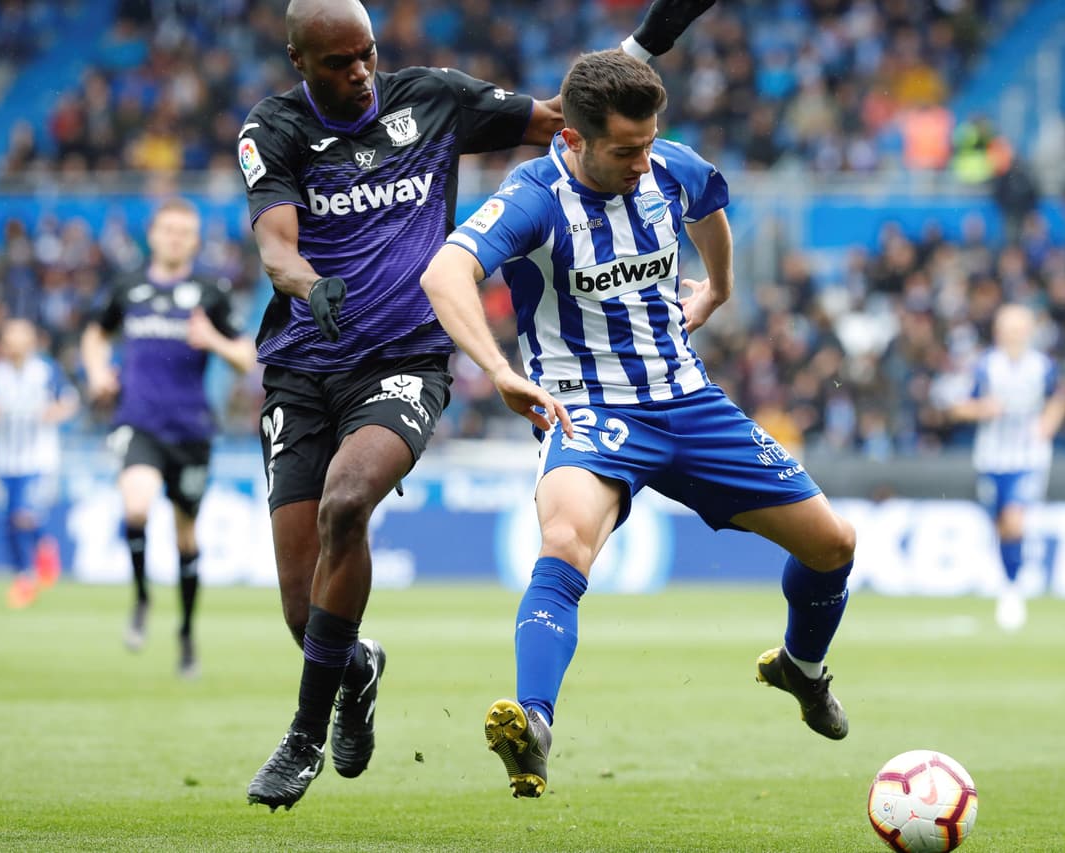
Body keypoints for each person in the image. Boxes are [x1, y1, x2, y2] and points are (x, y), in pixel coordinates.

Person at [237, 0, 715, 811]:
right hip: (300, 366)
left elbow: (573, 118)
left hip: (403, 360)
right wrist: (310, 285)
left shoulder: (433, 99)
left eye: (367, 55)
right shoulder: (273, 129)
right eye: (337, 64)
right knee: (305, 615)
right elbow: (276, 242)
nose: (359, 74)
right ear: (298, 63)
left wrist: (649, 39)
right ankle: (357, 671)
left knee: (348, 502)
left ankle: (300, 739)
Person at [420, 49, 857, 799]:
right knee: (563, 543)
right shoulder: (535, 197)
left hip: (687, 400)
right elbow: (443, 272)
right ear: (573, 140)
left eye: (649, 143)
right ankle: (534, 724)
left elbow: (708, 199)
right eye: (625, 150)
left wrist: (717, 289)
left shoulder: (668, 167)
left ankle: (802, 669)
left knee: (833, 545)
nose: (641, 161)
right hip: (588, 408)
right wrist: (499, 369)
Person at [81, 198, 256, 677]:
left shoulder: (210, 293)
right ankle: (140, 598)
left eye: (185, 232)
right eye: (168, 230)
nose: (176, 238)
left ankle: (185, 633)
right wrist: (97, 371)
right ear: (153, 235)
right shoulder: (128, 287)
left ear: (195, 241)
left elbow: (245, 358)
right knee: (136, 505)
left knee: (185, 538)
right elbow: (96, 335)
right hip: (138, 420)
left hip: (191, 429)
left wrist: (214, 341)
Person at [949, 303, 1065, 631]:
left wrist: (1049, 421)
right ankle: (1008, 581)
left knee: (1014, 520)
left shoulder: (1042, 366)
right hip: (991, 458)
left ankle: (1013, 592)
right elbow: (958, 408)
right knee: (1001, 526)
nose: (1014, 335)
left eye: (1019, 329)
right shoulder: (985, 367)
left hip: (1029, 457)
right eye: (1008, 330)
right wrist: (981, 409)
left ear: (1029, 332)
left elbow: (1061, 395)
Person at [0, 318, 78, 609]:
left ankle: (27, 577)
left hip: (38, 458)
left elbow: (69, 403)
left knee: (23, 514)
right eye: (9, 339)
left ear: (30, 342)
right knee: (7, 520)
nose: (13, 345)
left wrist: (52, 413)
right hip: (4, 459)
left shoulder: (46, 370)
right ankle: (31, 562)